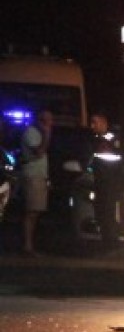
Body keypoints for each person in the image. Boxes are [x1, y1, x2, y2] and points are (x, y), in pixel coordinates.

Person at [18, 109, 54, 256]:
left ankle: (29, 245)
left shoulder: (36, 133)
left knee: (35, 212)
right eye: (48, 119)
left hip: (38, 176)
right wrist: (47, 134)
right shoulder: (31, 133)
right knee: (31, 212)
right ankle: (27, 246)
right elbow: (39, 152)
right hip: (32, 176)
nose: (52, 122)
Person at [88, 111, 124, 249]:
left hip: (109, 182)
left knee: (109, 212)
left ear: (104, 123)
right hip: (101, 182)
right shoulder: (95, 138)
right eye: (91, 122)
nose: (92, 125)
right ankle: (106, 239)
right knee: (102, 212)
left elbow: (115, 160)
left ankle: (111, 241)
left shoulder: (109, 139)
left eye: (95, 122)